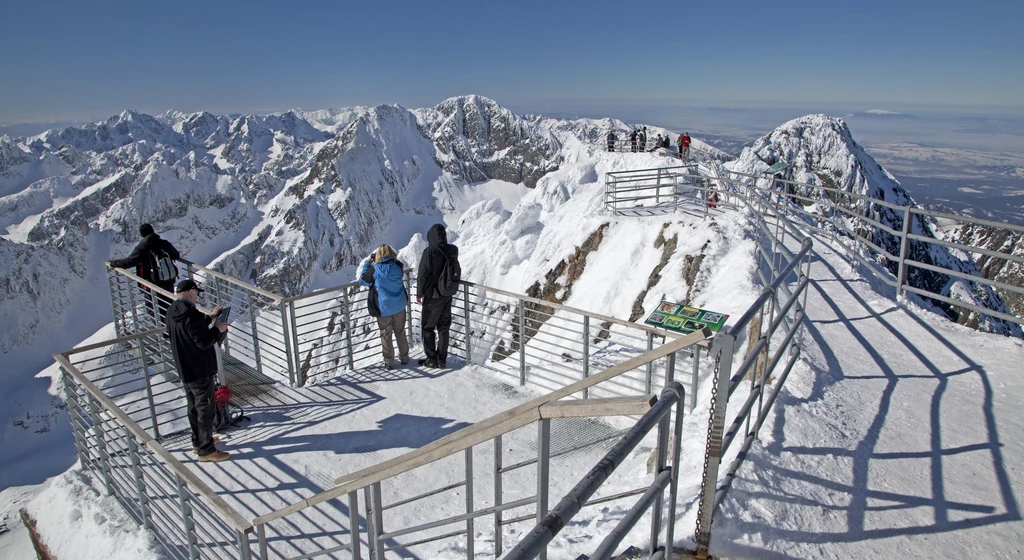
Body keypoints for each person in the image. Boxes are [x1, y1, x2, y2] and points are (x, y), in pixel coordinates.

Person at [165, 279, 230, 462]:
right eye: (197, 293)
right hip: (200, 369)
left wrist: (210, 316)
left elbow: (190, 329)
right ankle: (207, 450)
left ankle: (199, 441)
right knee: (205, 409)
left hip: (185, 369)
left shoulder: (172, 311)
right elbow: (203, 341)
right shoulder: (191, 315)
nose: (198, 297)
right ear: (191, 292)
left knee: (193, 407)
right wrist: (217, 330)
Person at [109, 223, 181, 318]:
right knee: (169, 307)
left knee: (153, 311)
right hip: (169, 280)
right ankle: (172, 328)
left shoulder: (142, 247)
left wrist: (113, 264)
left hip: (152, 284)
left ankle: (165, 331)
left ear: (142, 235)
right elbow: (176, 255)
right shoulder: (164, 243)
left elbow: (129, 262)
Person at [358, 244, 410, 370]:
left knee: (386, 335)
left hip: (384, 308)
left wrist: (368, 263)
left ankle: (389, 362)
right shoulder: (398, 267)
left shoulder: (374, 270)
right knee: (401, 332)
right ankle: (404, 357)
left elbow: (363, 280)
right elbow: (397, 266)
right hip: (399, 306)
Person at [416, 224, 460, 368]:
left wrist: (419, 293)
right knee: (443, 328)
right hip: (447, 294)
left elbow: (422, 274)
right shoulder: (453, 250)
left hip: (432, 296)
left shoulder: (429, 251)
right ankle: (442, 360)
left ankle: (431, 359)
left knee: (428, 328)